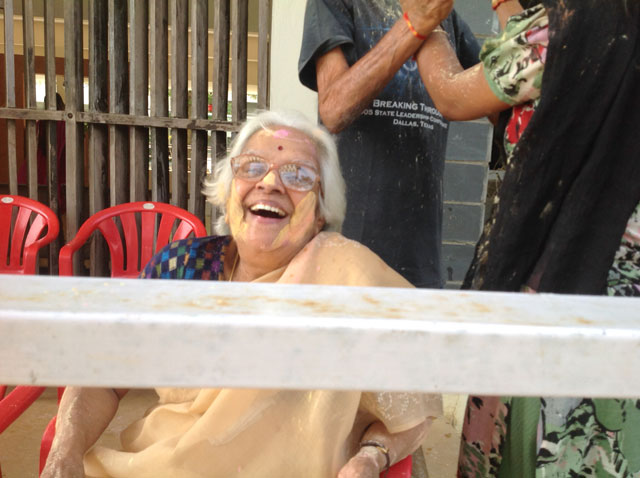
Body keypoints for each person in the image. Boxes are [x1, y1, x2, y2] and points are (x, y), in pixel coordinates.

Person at [41, 110, 442, 478]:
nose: (269, 183)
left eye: (298, 175)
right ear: (230, 189)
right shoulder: (181, 269)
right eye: (253, 168)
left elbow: (417, 397)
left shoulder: (347, 280)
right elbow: (101, 373)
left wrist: (371, 456)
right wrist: (65, 452)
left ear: (321, 211)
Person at [415, 0, 640, 476]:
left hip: (563, 281)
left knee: (536, 440)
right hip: (627, 302)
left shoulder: (571, 22)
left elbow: (453, 96)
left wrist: (423, 24)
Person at [298, 0, 481, 288]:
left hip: (421, 259)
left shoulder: (447, 17)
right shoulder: (337, 3)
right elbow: (333, 108)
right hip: (344, 258)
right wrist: (415, 25)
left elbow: (498, 100)